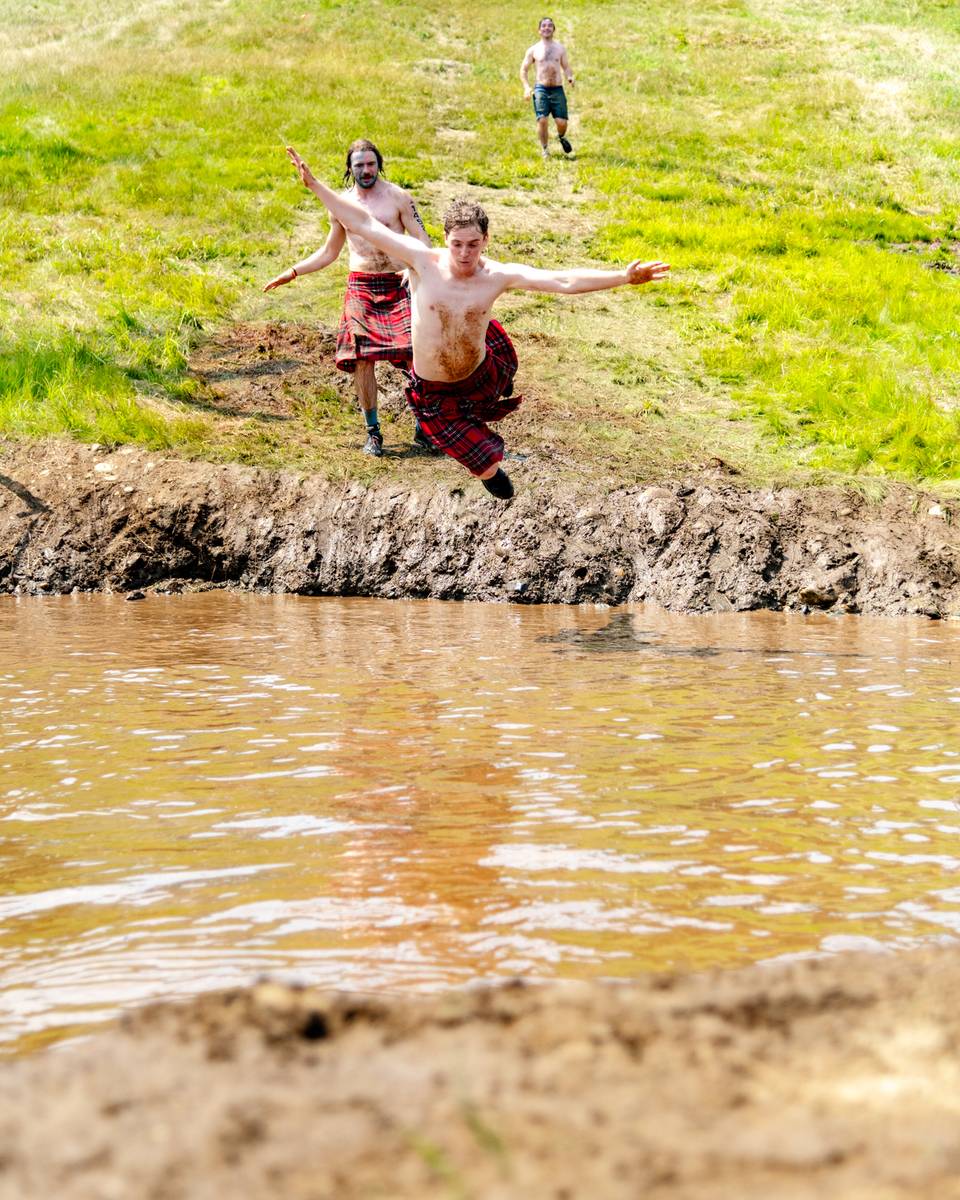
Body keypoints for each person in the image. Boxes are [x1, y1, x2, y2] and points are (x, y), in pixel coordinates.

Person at [285, 146, 670, 500]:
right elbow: (363, 223)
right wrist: (315, 184)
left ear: (485, 240)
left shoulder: (497, 275)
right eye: (457, 244)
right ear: (446, 240)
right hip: (434, 389)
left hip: (477, 373)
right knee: (486, 467)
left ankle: (490, 421)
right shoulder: (422, 261)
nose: (464, 253)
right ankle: (487, 469)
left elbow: (562, 280)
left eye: (473, 244)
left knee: (495, 356)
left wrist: (623, 276)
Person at [263, 139, 434, 457]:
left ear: (378, 164)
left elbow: (423, 239)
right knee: (362, 359)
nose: (365, 170)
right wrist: (294, 271)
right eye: (359, 165)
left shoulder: (399, 198)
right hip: (362, 286)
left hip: (398, 283)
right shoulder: (341, 205)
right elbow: (330, 252)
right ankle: (373, 433)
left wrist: (415, 271)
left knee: (415, 355)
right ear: (350, 169)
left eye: (370, 164)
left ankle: (423, 426)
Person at [520, 17, 575, 160]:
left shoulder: (560, 48)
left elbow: (566, 67)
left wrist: (570, 77)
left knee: (561, 122)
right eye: (543, 26)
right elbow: (524, 70)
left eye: (550, 26)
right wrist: (526, 87)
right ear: (539, 30)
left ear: (553, 30)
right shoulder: (533, 50)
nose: (547, 28)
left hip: (557, 89)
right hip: (541, 89)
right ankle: (545, 149)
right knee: (542, 119)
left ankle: (561, 136)